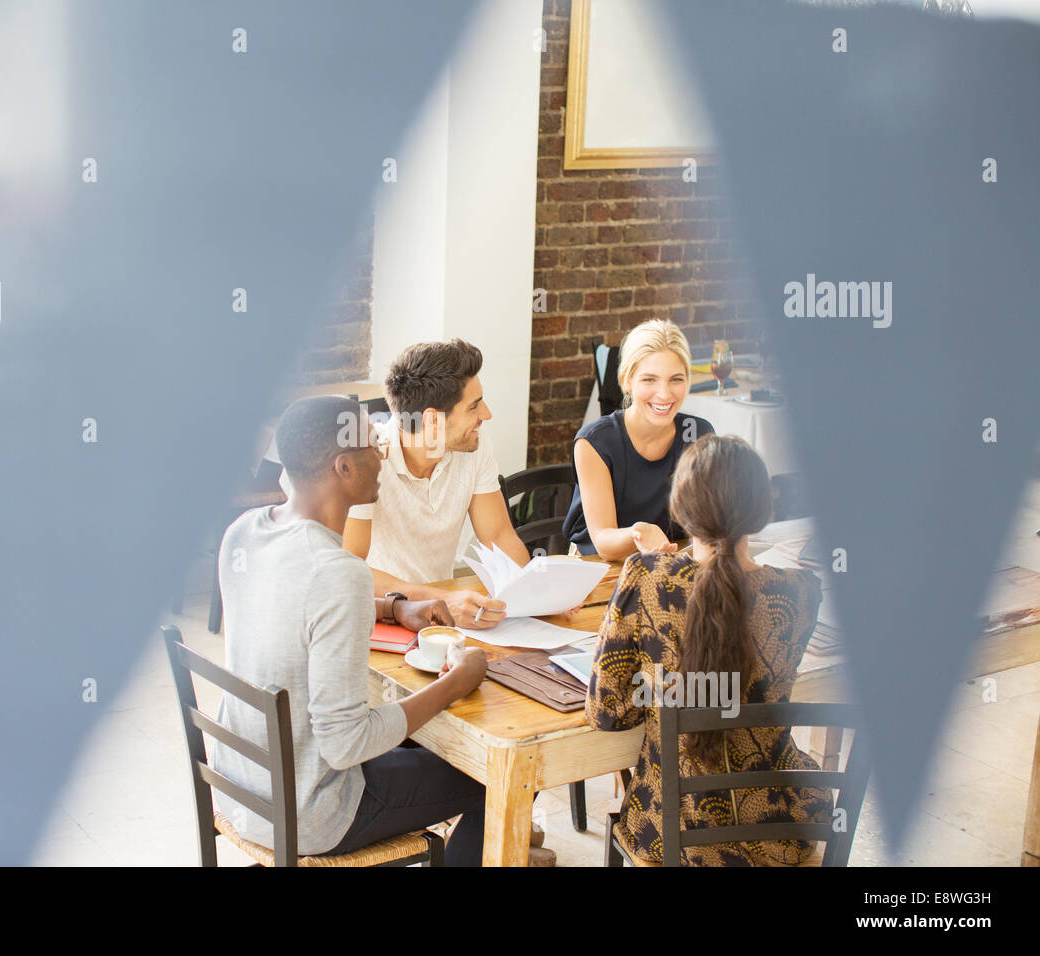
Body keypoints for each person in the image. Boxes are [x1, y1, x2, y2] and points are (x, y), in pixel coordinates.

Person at [212, 395, 492, 865]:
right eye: (372, 444)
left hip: (243, 786)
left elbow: (294, 607)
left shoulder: (244, 532)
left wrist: (389, 607)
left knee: (413, 746)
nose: (383, 451)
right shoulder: (338, 572)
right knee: (490, 777)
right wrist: (454, 684)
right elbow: (346, 745)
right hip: (312, 812)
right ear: (343, 467)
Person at [586, 434, 833, 866]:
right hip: (779, 832)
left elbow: (607, 711)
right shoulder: (801, 593)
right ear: (763, 511)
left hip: (671, 831)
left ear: (680, 511)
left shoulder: (648, 576)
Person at [343, 338, 555, 629]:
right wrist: (439, 599)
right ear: (432, 421)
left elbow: (498, 536)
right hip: (379, 617)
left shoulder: (474, 446)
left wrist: (539, 594)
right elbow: (347, 570)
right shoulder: (365, 457)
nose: (487, 415)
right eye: (474, 407)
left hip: (442, 619)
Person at [562, 319, 714, 560]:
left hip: (668, 564)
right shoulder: (594, 442)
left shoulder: (698, 433)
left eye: (676, 379)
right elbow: (603, 541)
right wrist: (638, 534)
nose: (664, 394)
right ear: (626, 381)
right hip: (597, 567)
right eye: (649, 379)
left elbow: (706, 525)